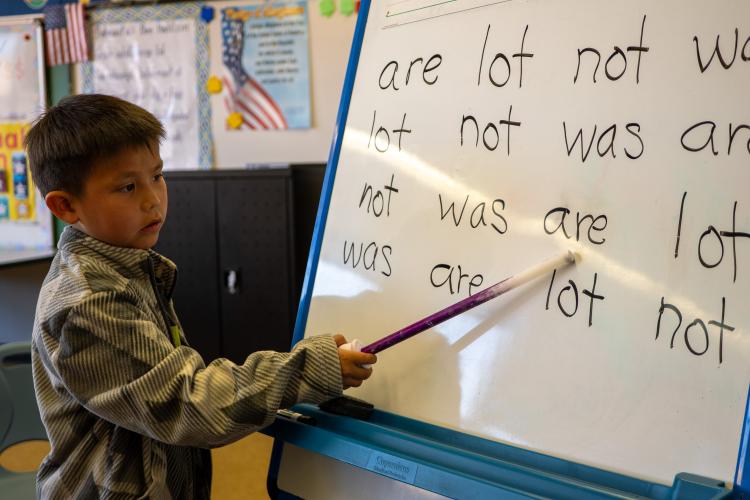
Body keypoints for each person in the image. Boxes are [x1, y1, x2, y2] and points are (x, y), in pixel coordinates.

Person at [25, 94, 377, 499]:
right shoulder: (88, 303)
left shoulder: (127, 267)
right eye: (127, 186)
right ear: (66, 206)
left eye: (157, 175)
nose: (152, 199)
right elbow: (189, 405)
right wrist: (306, 369)